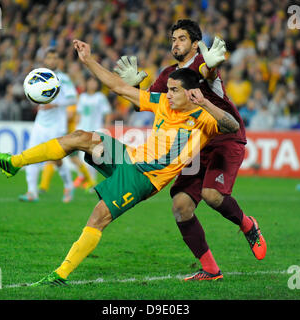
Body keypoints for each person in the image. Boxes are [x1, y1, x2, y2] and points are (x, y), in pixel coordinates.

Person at [0, 39, 240, 286]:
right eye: (168, 89)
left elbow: (232, 125)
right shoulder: (163, 103)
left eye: (174, 90)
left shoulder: (203, 118)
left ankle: (60, 274)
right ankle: (14, 163)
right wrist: (88, 60)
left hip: (143, 177)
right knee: (80, 137)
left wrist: (205, 101)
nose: (168, 94)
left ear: (191, 92)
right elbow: (119, 87)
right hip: (127, 157)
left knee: (99, 216)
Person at [114, 19, 266, 281]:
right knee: (181, 206)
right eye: (173, 38)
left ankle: (248, 225)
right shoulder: (168, 75)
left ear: (196, 44)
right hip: (195, 142)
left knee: (211, 195)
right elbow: (146, 103)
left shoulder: (203, 64)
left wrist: (213, 65)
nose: (175, 43)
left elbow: (208, 73)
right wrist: (134, 87)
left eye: (182, 38)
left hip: (224, 137)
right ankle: (211, 270)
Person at [19, 48, 77, 203]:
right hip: (40, 123)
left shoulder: (63, 79)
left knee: (56, 159)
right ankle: (32, 191)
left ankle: (68, 185)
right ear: (45, 60)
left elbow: (73, 99)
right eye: (49, 57)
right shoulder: (37, 76)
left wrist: (55, 103)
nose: (52, 60)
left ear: (58, 60)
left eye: (55, 57)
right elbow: (30, 94)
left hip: (57, 125)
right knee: (30, 154)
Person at [71, 76, 112, 189]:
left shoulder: (100, 97)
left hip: (96, 130)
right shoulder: (82, 97)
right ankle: (83, 177)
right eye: (90, 81)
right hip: (82, 129)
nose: (92, 84)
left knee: (93, 157)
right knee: (78, 156)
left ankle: (90, 182)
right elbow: (78, 114)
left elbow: (107, 113)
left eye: (94, 81)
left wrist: (105, 128)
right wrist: (75, 127)